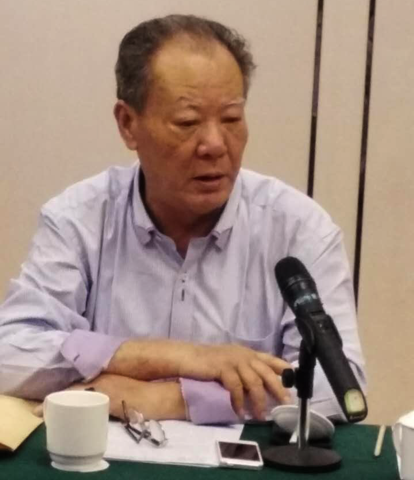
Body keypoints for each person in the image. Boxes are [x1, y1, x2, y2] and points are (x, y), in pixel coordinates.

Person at [0, 14, 366, 424]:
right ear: (128, 124)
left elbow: (342, 388)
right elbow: (9, 353)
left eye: (231, 119)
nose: (214, 144)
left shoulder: (298, 229)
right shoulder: (79, 219)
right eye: (187, 123)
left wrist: (168, 398)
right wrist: (181, 357)